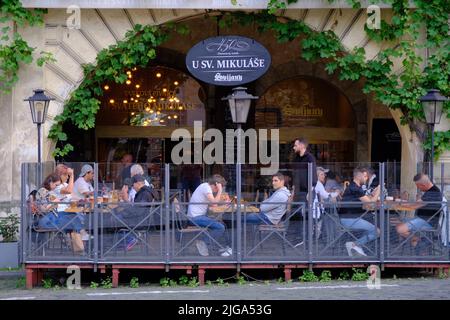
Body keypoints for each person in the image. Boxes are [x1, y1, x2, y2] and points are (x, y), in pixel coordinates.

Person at [35, 173, 85, 254]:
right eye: (56, 185)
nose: (57, 187)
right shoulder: (42, 191)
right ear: (50, 182)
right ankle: (80, 246)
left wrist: (57, 201)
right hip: (46, 221)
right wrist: (54, 203)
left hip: (53, 217)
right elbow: (43, 210)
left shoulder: (50, 191)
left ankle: (78, 247)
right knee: (72, 220)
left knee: (72, 217)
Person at [187, 174, 232, 257]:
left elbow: (212, 205)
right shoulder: (206, 188)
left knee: (221, 223)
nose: (217, 190)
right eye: (219, 187)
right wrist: (220, 191)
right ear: (216, 185)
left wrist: (224, 203)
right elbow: (214, 204)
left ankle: (224, 246)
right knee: (220, 227)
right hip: (195, 218)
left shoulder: (204, 187)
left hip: (197, 216)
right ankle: (203, 242)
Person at [339, 167, 380, 257]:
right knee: (376, 231)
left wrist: (372, 194)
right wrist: (378, 191)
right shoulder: (355, 188)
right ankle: (355, 245)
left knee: (371, 229)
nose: (366, 178)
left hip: (351, 218)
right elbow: (371, 204)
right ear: (359, 176)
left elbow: (366, 203)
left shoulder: (355, 187)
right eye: (365, 176)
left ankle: (357, 247)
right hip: (349, 219)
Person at [396, 173, 443, 248]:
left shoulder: (432, 192)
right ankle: (417, 247)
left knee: (400, 229)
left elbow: (415, 205)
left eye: (417, 186)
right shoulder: (432, 190)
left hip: (428, 221)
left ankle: (421, 241)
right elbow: (417, 203)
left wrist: (399, 204)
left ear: (423, 185)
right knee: (399, 222)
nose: (417, 188)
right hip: (424, 219)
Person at [291, 138, 316, 203]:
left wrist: (310, 192)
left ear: (302, 145)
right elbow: (294, 175)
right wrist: (293, 190)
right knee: (297, 211)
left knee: (306, 211)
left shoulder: (310, 157)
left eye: (295, 145)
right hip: (297, 191)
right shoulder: (296, 158)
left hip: (306, 191)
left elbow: (313, 174)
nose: (294, 148)